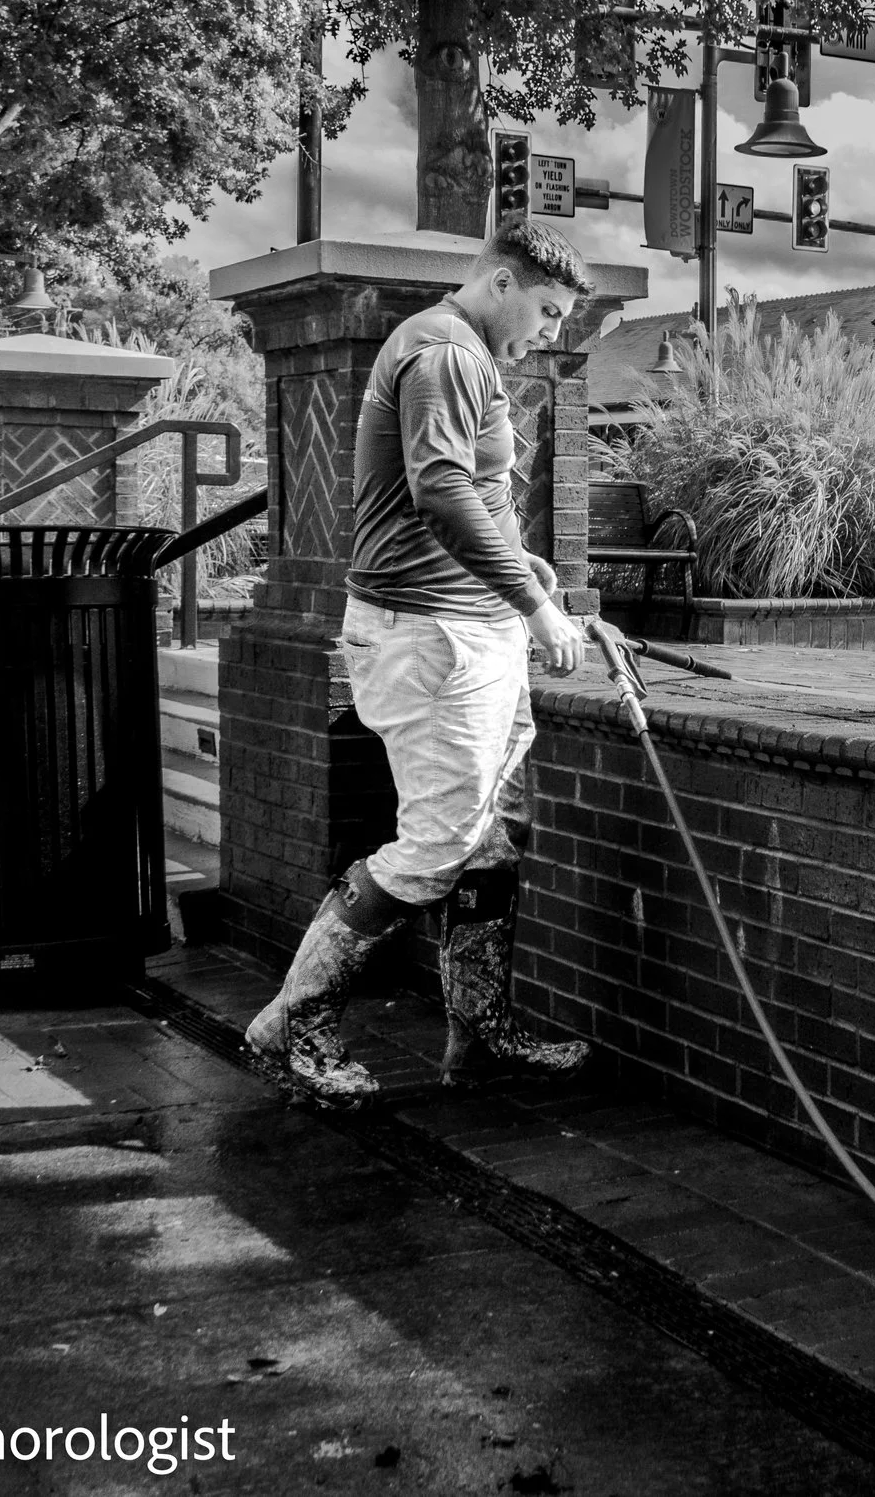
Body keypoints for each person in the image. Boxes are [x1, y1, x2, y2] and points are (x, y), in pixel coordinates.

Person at [245, 219, 614, 1105]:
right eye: (549, 312)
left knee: (487, 835)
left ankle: (478, 1034)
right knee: (439, 840)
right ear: (499, 282)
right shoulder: (447, 351)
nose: (551, 334)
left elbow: (468, 497)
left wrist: (520, 567)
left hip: (465, 631)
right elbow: (440, 489)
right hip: (434, 640)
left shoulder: (461, 357)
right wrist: (536, 608)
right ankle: (292, 1023)